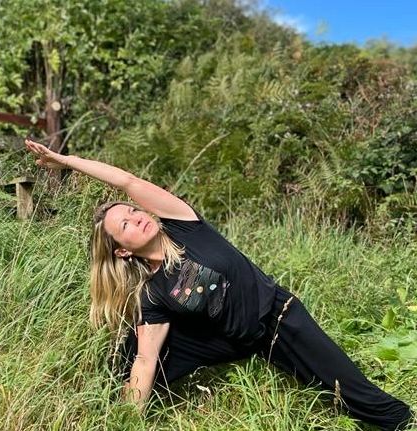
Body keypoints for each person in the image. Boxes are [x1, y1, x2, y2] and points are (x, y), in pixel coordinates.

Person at [25, 139, 414, 431]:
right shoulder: (153, 294)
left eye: (131, 211)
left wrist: (67, 161)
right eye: (124, 225)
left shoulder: (181, 222)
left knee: (354, 394)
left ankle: (403, 423)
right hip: (239, 341)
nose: (135, 217)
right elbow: (146, 360)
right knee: (133, 354)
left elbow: (127, 180)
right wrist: (126, 419)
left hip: (282, 319)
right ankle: (112, 410)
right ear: (122, 252)